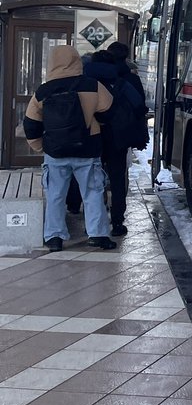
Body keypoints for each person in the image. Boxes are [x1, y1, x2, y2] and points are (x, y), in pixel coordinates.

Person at [22, 45, 117, 251]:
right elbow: (109, 111)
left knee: (56, 194)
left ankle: (54, 238)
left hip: (55, 152)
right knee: (92, 192)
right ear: (77, 61)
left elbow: (30, 123)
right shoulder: (93, 85)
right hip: (87, 149)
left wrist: (40, 146)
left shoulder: (43, 91)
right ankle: (98, 234)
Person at [83, 41, 148, 237]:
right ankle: (118, 221)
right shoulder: (124, 81)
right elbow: (140, 108)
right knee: (118, 178)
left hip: (92, 136)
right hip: (117, 137)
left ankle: (93, 221)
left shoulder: (85, 81)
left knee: (92, 178)